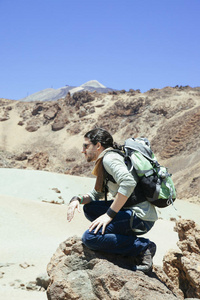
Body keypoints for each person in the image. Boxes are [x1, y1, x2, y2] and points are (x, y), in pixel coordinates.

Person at [67, 128, 158, 273]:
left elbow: (128, 182)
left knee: (90, 238)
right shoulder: (105, 160)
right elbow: (96, 194)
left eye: (86, 146)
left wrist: (108, 215)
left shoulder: (109, 159)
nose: (82, 150)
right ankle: (122, 239)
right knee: (89, 208)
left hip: (141, 217)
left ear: (98, 146)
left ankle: (143, 247)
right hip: (131, 210)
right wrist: (77, 199)